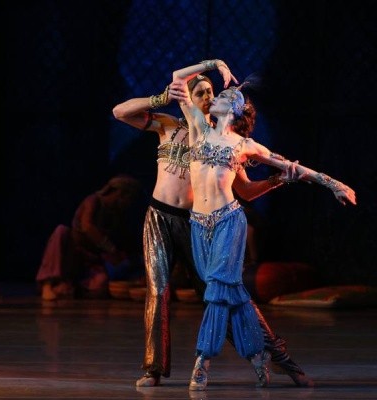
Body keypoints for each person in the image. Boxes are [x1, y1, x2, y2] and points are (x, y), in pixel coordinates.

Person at [112, 71, 313, 388]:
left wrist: (276, 180)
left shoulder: (222, 139)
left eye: (211, 93)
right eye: (201, 93)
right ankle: (154, 369)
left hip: (197, 224)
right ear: (188, 97)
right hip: (159, 217)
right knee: (158, 290)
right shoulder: (168, 126)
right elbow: (120, 112)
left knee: (223, 293)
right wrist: (162, 97)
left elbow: (245, 191)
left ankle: (277, 356)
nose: (207, 98)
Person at [169, 59, 356, 390]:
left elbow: (293, 168)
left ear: (236, 109)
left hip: (228, 222)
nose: (220, 95)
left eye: (228, 95)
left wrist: (333, 184)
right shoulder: (198, 127)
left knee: (216, 293)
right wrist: (215, 64)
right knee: (232, 293)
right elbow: (177, 79)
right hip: (198, 225)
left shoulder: (244, 146)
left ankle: (202, 361)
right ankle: (257, 354)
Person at [36, 174, 147, 300]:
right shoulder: (93, 201)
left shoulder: (117, 214)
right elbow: (87, 226)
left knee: (101, 283)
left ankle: (68, 287)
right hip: (70, 251)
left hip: (89, 258)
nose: (129, 203)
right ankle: (48, 284)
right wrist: (111, 249)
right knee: (61, 231)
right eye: (129, 198)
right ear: (120, 193)